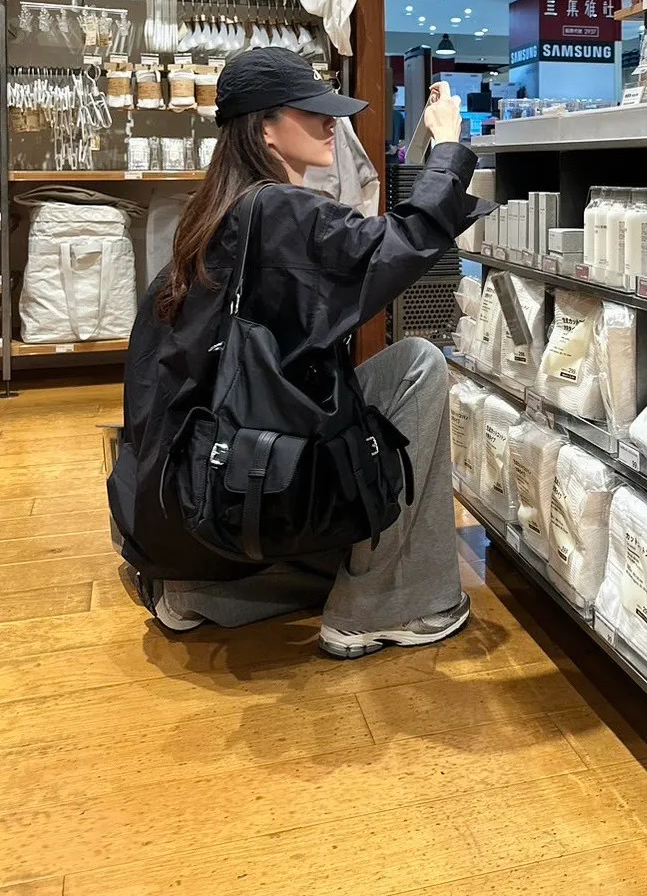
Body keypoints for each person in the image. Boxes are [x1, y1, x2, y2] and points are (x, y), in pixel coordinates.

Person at [109, 48, 491, 659]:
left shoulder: (213, 212)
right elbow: (397, 245)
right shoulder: (277, 209)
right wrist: (448, 146)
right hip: (233, 479)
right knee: (417, 364)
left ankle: (198, 591)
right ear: (264, 128)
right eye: (312, 112)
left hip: (188, 492)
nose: (331, 124)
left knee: (345, 456)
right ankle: (382, 608)